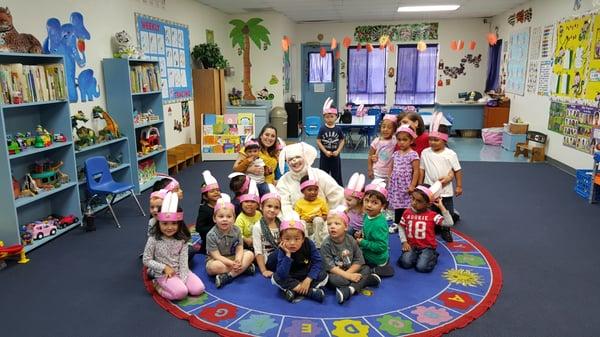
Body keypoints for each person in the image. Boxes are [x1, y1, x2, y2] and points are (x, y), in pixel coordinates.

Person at [143, 192, 205, 300]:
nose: (169, 227)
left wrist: (184, 277)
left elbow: (184, 259)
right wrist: (164, 268)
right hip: (163, 273)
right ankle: (157, 285)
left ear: (179, 224)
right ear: (159, 223)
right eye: (165, 224)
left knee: (198, 289)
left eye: (174, 223)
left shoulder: (182, 238)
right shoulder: (153, 238)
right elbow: (146, 259)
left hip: (180, 270)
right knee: (181, 293)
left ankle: (178, 284)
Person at [320, 206, 381, 304]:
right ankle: (366, 281)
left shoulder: (351, 240)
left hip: (351, 269)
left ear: (346, 227)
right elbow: (331, 267)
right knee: (333, 281)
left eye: (337, 224)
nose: (332, 226)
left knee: (365, 268)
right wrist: (348, 276)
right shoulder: (326, 244)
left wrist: (349, 273)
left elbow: (358, 260)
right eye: (329, 224)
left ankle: (350, 289)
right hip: (337, 274)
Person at [419, 111, 462, 243]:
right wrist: (420, 186)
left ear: (444, 140)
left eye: (436, 140)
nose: (432, 142)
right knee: (430, 211)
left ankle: (446, 230)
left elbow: (457, 170)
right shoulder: (425, 153)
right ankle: (430, 229)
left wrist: (459, 185)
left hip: (446, 191)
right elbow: (422, 170)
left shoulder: (450, 154)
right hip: (429, 189)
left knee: (446, 210)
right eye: (431, 139)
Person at [271, 212, 328, 303]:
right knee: (275, 278)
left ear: (303, 239)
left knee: (323, 275)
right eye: (287, 239)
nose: (292, 243)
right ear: (281, 239)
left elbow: (317, 262)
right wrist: (288, 255)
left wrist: (308, 279)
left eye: (297, 239)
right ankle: (308, 292)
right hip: (290, 276)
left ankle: (293, 291)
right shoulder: (282, 249)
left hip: (306, 274)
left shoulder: (308, 243)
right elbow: (282, 274)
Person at [398, 182, 454, 273]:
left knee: (421, 268)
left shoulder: (432, 215)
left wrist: (441, 206)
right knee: (405, 263)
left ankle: (432, 255)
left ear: (428, 204)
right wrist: (404, 242)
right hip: (412, 245)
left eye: (419, 201)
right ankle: (416, 256)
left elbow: (449, 223)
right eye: (413, 199)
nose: (414, 203)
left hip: (427, 247)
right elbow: (401, 227)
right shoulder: (407, 212)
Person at [277, 142, 345, 216]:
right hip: (296, 224)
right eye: (290, 159)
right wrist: (295, 222)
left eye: (298, 157)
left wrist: (331, 216)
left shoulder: (319, 174)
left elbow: (337, 195)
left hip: (322, 221)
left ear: (304, 157)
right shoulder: (284, 181)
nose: (294, 161)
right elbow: (285, 206)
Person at [205, 194, 256, 288]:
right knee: (212, 268)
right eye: (221, 216)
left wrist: (238, 260)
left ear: (234, 218)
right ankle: (244, 269)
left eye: (229, 217)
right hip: (218, 260)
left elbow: (239, 247)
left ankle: (229, 276)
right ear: (214, 218)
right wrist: (233, 264)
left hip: (234, 257)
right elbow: (216, 255)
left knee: (250, 254)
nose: (225, 219)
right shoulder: (211, 235)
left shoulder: (236, 230)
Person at [355, 179, 394, 277]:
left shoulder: (379, 224)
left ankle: (377, 270)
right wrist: (361, 233)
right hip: (367, 251)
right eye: (366, 200)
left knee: (355, 266)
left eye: (374, 203)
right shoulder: (367, 215)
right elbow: (368, 230)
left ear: (383, 206)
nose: (369, 205)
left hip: (374, 258)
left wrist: (362, 242)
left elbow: (381, 246)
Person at [388, 125, 420, 231]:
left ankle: (408, 222)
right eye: (399, 139)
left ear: (411, 140)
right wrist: (389, 180)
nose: (401, 142)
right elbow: (391, 167)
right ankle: (397, 222)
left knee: (407, 204)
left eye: (405, 140)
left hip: (406, 184)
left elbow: (416, 171)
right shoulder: (395, 154)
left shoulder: (413, 155)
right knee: (397, 204)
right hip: (395, 184)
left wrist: (413, 185)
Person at [252, 184, 281, 277]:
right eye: (269, 206)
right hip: (269, 259)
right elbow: (258, 251)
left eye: (276, 207)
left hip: (282, 256)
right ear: (261, 207)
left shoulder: (281, 223)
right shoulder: (257, 227)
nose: (272, 210)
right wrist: (264, 271)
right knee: (285, 249)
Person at [317, 97, 345, 185]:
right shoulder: (322, 128)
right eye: (327, 117)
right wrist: (325, 151)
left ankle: (337, 191)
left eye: (331, 116)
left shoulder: (338, 129)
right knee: (323, 175)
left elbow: (342, 140)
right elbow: (318, 141)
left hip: (335, 157)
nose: (329, 119)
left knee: (336, 175)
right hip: (324, 157)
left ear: (336, 117)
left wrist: (338, 151)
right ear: (324, 117)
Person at [196, 171, 222, 254]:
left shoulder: (222, 205)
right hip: (209, 239)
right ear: (205, 196)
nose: (216, 192)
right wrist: (216, 229)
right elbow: (199, 228)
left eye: (217, 190)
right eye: (212, 191)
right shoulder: (204, 210)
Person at [368, 114, 398, 182]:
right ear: (380, 128)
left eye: (389, 128)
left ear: (394, 130)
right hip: (377, 171)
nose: (385, 129)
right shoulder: (376, 141)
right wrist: (370, 170)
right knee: (377, 190)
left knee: (388, 191)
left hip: (390, 172)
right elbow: (370, 156)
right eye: (383, 127)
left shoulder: (395, 140)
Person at [235, 179, 262, 249]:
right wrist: (246, 240)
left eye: (253, 202)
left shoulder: (259, 214)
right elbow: (237, 233)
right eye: (246, 201)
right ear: (241, 204)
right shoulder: (240, 218)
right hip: (247, 245)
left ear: (257, 205)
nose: (249, 204)